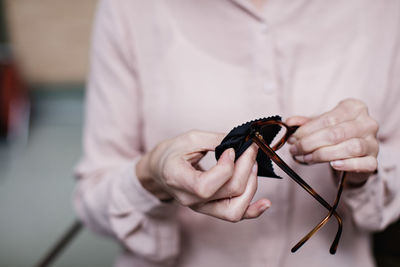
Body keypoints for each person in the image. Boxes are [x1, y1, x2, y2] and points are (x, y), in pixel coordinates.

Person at [74, 0, 400, 266]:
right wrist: (151, 175)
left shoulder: (383, 10)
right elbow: (92, 200)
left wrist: (362, 170)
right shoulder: (128, 9)